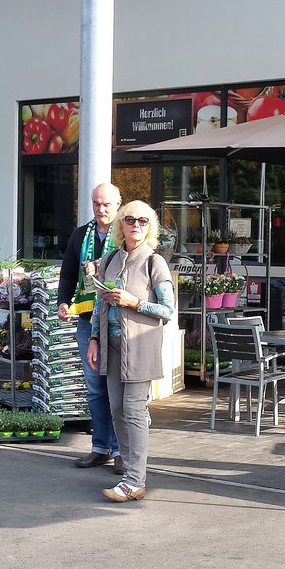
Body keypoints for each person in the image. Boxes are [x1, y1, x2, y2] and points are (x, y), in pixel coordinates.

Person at [88, 201, 176, 503]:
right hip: (112, 348)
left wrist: (133, 302)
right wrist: (94, 338)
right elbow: (100, 302)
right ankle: (128, 469)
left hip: (140, 346)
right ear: (120, 225)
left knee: (134, 411)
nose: (135, 225)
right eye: (129, 219)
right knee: (117, 410)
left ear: (149, 226)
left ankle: (135, 480)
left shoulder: (154, 263)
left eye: (142, 220)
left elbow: (168, 310)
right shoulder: (110, 258)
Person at [57, 183, 123, 473]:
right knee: (95, 388)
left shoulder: (127, 234)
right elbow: (68, 272)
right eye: (97, 203)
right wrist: (62, 301)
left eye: (107, 204)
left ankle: (122, 450)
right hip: (87, 321)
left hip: (119, 322)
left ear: (118, 204)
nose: (101, 209)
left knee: (117, 389)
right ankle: (100, 447)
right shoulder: (79, 235)